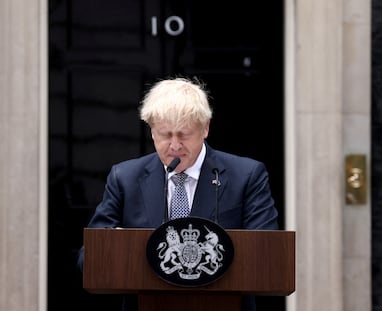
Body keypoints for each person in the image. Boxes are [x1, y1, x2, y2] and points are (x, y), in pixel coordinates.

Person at [77, 76, 279, 311]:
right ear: (152, 131)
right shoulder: (125, 178)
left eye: (183, 134)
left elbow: (266, 254)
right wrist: (121, 248)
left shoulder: (246, 176)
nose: (174, 145)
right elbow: (88, 258)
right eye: (165, 134)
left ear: (205, 128)